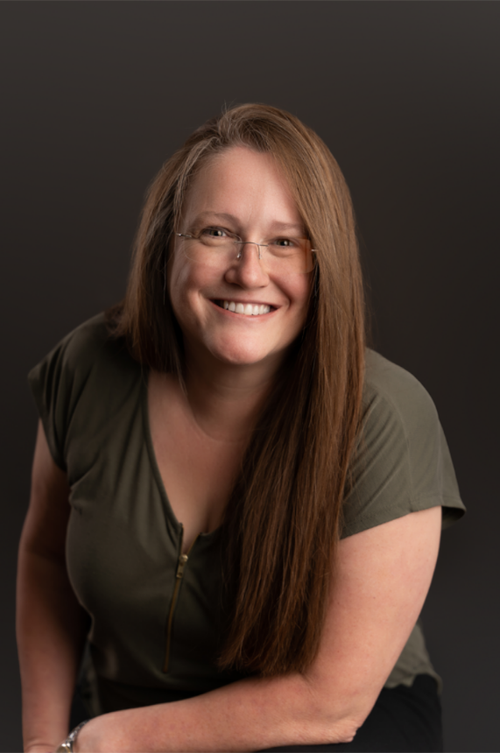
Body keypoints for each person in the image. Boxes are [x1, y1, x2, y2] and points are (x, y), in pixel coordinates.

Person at [17, 103, 465, 753]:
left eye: (285, 241)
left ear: (321, 263)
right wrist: (41, 741)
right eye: (218, 233)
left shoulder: (387, 416)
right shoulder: (86, 367)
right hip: (117, 717)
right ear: (166, 242)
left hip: (320, 732)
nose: (249, 271)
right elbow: (45, 559)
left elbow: (330, 704)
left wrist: (105, 741)